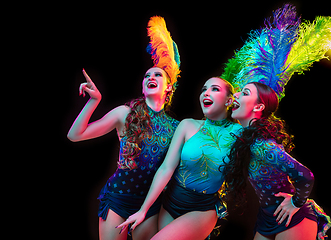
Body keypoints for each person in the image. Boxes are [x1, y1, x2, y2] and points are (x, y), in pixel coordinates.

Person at [220, 4, 331, 240]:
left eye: (245, 93)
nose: (236, 96)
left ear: (259, 107)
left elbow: (305, 175)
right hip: (267, 219)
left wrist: (297, 202)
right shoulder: (243, 139)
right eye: (238, 93)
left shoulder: (262, 145)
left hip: (293, 219)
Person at [67, 16, 181, 240]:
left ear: (169, 89)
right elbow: (74, 135)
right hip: (119, 200)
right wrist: (94, 101)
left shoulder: (177, 127)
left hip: (150, 205)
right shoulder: (125, 113)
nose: (151, 76)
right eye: (147, 75)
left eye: (158, 74)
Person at [117, 76, 243, 240]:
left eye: (215, 89)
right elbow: (166, 168)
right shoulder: (187, 125)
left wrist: (289, 201)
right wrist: (143, 210)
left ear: (228, 101)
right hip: (171, 204)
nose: (206, 93)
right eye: (204, 89)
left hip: (202, 209)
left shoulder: (239, 133)